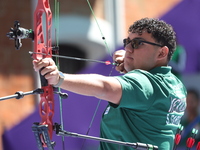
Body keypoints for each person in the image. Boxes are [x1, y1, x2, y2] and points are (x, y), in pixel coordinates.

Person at [33, 18, 187, 150]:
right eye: (127, 42)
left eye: (137, 43)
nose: (127, 48)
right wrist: (129, 67)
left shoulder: (145, 84)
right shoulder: (175, 85)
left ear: (161, 53)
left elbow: (106, 87)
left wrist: (58, 78)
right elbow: (147, 102)